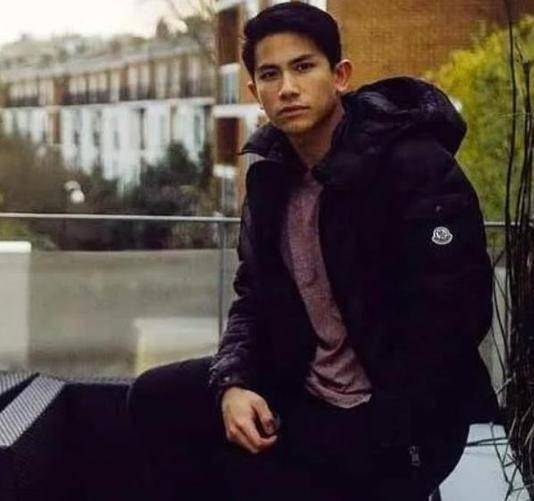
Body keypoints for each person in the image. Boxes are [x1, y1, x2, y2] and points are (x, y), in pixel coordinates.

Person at [127, 3, 499, 500]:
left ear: (340, 75)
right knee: (154, 397)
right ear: (256, 92)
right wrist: (234, 384)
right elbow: (252, 299)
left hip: (397, 420)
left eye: (303, 67)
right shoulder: (271, 180)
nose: (288, 87)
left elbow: (456, 318)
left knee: (253, 476)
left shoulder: (414, 168)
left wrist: (388, 432)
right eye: (270, 74)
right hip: (303, 390)